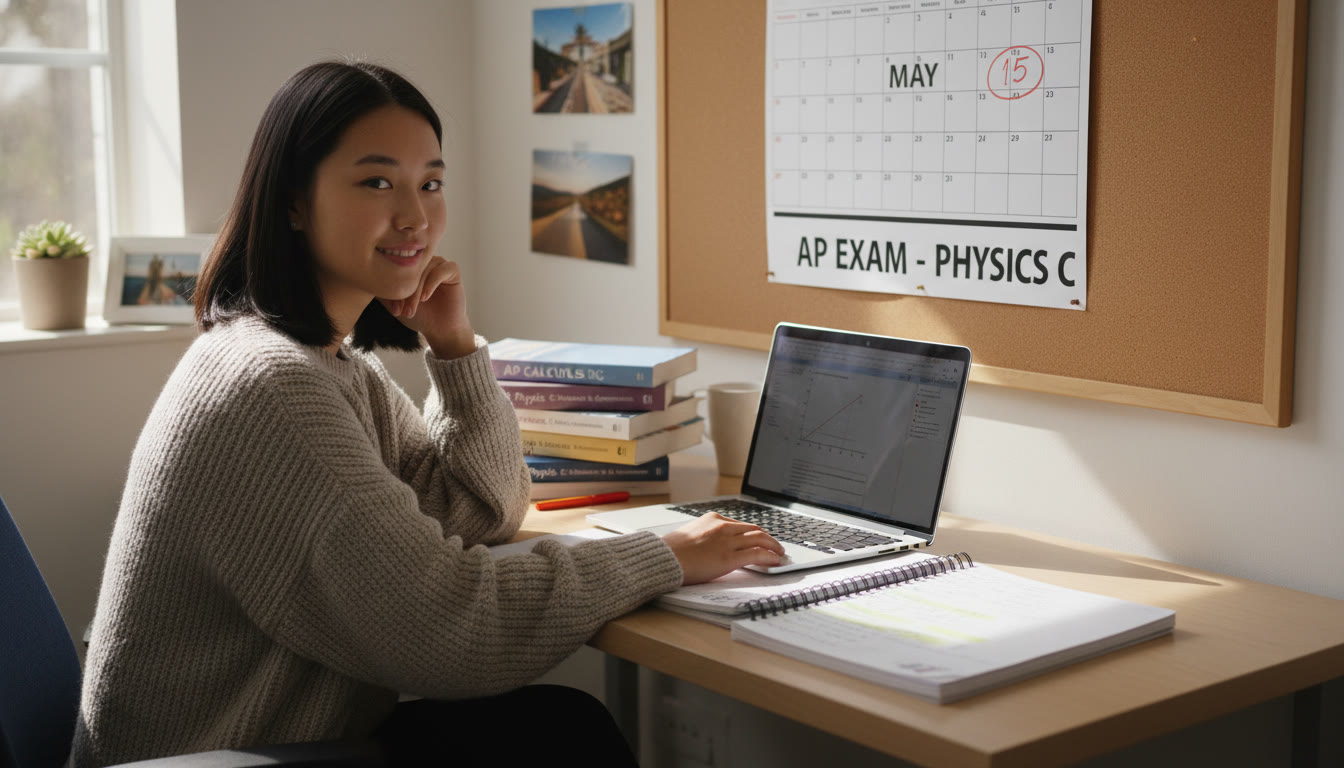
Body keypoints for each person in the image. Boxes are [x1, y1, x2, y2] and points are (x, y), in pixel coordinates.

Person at [72, 60, 784, 768]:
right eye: (377, 181)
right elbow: (453, 633)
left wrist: (455, 346)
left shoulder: (335, 364)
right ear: (294, 202)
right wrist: (661, 556)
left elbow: (479, 511)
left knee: (560, 725)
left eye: (431, 182)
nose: (415, 216)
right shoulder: (272, 386)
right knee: (562, 738)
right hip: (212, 759)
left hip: (287, 739)